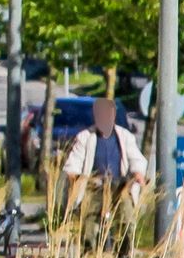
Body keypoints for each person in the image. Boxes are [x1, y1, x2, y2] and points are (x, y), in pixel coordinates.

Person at [62, 96, 150, 248]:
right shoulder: (85, 137)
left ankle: (124, 253)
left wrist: (138, 173)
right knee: (89, 222)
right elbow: (74, 161)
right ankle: (89, 254)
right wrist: (74, 176)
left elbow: (137, 159)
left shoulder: (124, 136)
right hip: (93, 186)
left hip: (120, 186)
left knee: (127, 217)